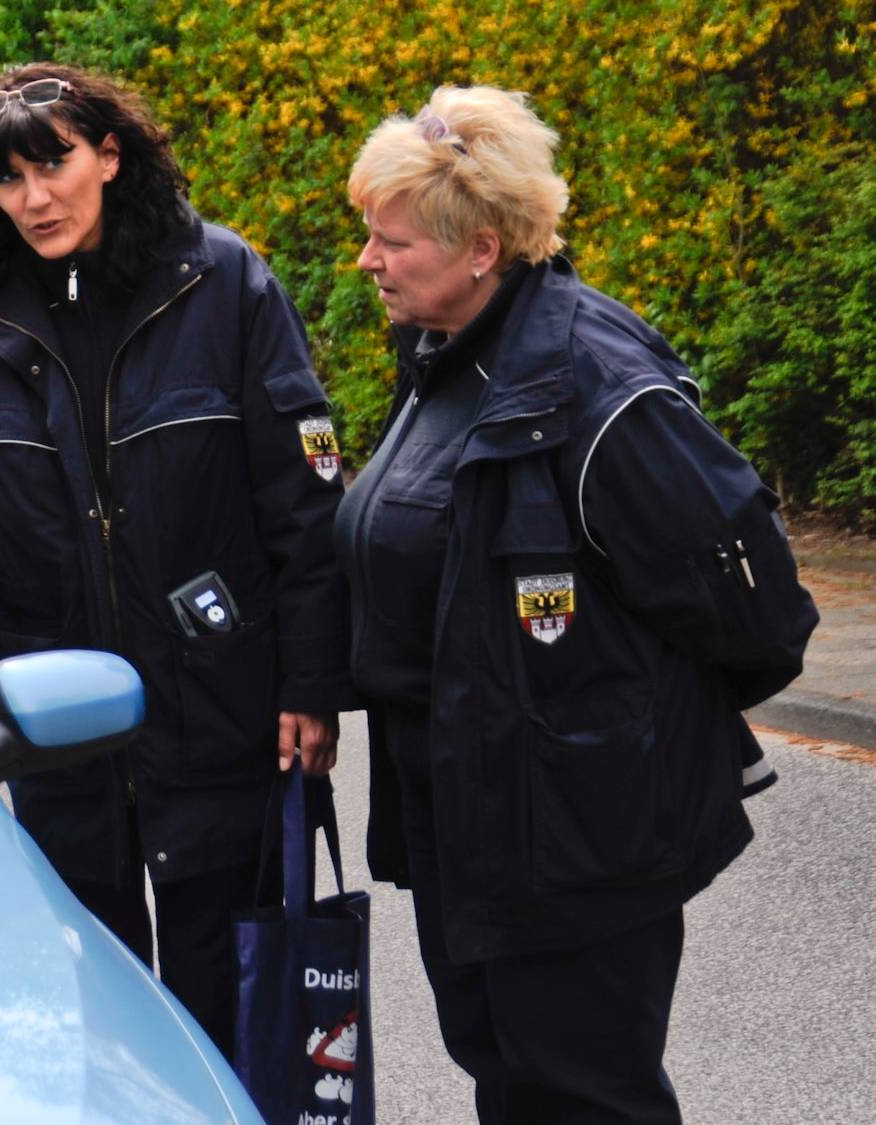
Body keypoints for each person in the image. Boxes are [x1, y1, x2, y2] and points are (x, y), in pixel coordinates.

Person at [338, 85, 817, 1122]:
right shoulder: (448, 357)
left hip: (572, 829)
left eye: (390, 242)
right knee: (508, 1076)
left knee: (587, 1095)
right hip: (463, 808)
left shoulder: (593, 383)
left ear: (482, 249)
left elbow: (757, 612)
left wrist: (619, 733)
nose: (366, 262)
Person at [0, 62, 354, 1046]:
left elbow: (302, 507)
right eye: (7, 179)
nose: (34, 197)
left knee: (224, 1016)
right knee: (91, 1025)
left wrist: (309, 683)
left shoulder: (223, 284)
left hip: (220, 718)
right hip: (59, 733)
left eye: (51, 163)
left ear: (108, 154)